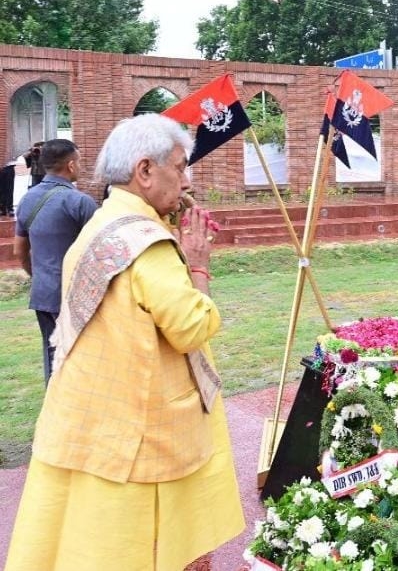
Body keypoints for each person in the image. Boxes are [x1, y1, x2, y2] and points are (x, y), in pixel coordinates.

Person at [5, 114, 244, 571]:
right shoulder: (147, 243)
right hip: (146, 428)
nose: (187, 177)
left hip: (95, 414)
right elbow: (191, 327)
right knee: (151, 549)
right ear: (145, 171)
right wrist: (196, 264)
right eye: (181, 165)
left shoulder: (101, 226)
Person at [13, 139, 98, 383]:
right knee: (84, 356)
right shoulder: (80, 202)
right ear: (71, 165)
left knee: (53, 355)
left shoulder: (28, 200)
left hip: (43, 293)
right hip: (78, 293)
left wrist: (38, 276)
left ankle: (55, 409)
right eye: (79, 162)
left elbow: (20, 250)